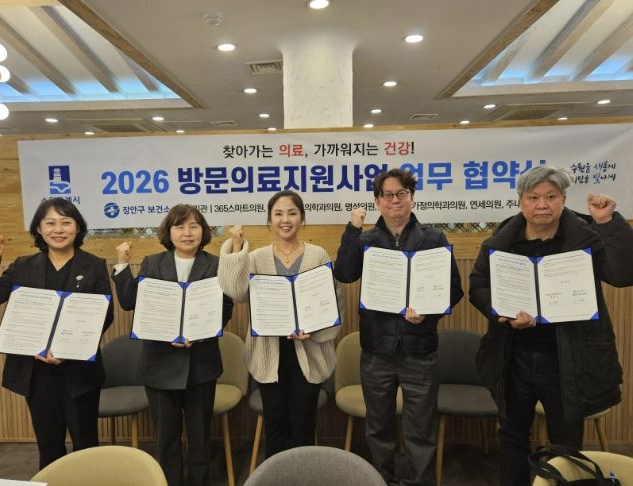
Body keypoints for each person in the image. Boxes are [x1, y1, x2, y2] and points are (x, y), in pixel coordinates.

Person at [469, 165, 633, 486]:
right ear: (521, 201)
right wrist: (501, 313)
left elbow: (622, 273)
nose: (542, 205)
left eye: (551, 197)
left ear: (563, 200)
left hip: (568, 360)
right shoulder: (501, 241)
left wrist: (606, 222)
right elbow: (478, 285)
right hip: (513, 357)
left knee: (566, 442)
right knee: (512, 436)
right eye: (533, 197)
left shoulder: (586, 237)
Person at [334, 168, 464, 486]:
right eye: (388, 195)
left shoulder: (433, 238)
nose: (395, 200)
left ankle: (419, 482)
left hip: (420, 348)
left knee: (421, 428)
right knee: (378, 427)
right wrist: (352, 229)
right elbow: (345, 273)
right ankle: (382, 481)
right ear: (377, 201)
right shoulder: (366, 239)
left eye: (401, 194)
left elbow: (453, 289)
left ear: (412, 198)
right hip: (377, 349)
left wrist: (428, 313)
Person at [0, 197, 114, 469]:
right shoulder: (23, 266)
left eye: (66, 222)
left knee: (86, 446)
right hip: (35, 373)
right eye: (50, 223)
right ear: (39, 228)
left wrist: (69, 349)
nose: (58, 229)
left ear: (78, 227)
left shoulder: (94, 265)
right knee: (49, 447)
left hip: (80, 372)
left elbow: (105, 315)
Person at [112, 204, 233, 486]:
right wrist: (121, 263)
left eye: (194, 226)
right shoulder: (153, 263)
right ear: (169, 232)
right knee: (166, 439)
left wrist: (203, 332)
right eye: (179, 226)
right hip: (159, 365)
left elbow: (226, 307)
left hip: (201, 365)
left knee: (200, 437)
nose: (187, 233)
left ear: (203, 231)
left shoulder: (216, 265)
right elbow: (130, 302)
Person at [217, 190, 341, 459]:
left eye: (292, 213)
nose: (285, 220)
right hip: (268, 353)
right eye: (278, 214)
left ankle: (303, 476)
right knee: (275, 425)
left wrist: (315, 329)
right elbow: (235, 292)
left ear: (302, 218)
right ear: (269, 220)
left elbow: (332, 300)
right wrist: (237, 248)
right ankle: (276, 475)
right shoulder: (256, 257)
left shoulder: (318, 254)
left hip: (309, 351)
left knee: (303, 425)